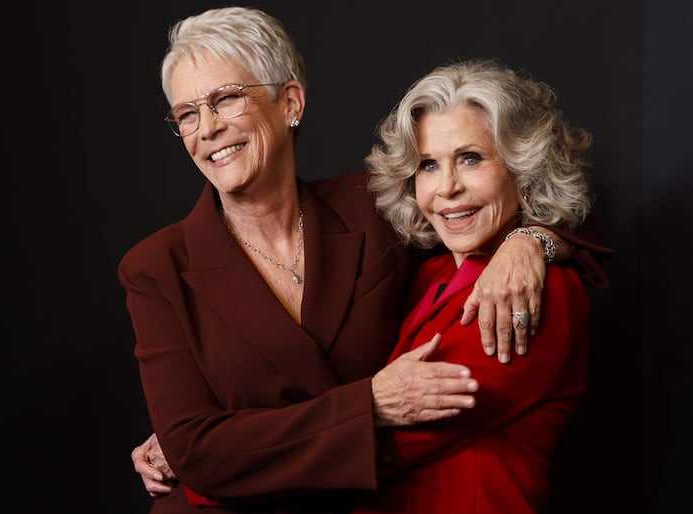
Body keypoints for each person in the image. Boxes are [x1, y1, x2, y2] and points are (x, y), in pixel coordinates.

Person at [119, 7, 611, 513]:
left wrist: (533, 240)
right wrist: (197, 456)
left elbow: (540, 205)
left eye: (226, 99)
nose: (209, 128)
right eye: (187, 114)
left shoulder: (375, 207)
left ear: (290, 101)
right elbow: (195, 448)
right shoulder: (156, 267)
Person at [348, 58, 596, 513]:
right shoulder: (429, 274)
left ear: (522, 168)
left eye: (471, 158)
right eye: (428, 165)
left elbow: (386, 444)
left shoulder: (537, 293)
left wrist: (211, 455)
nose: (447, 188)